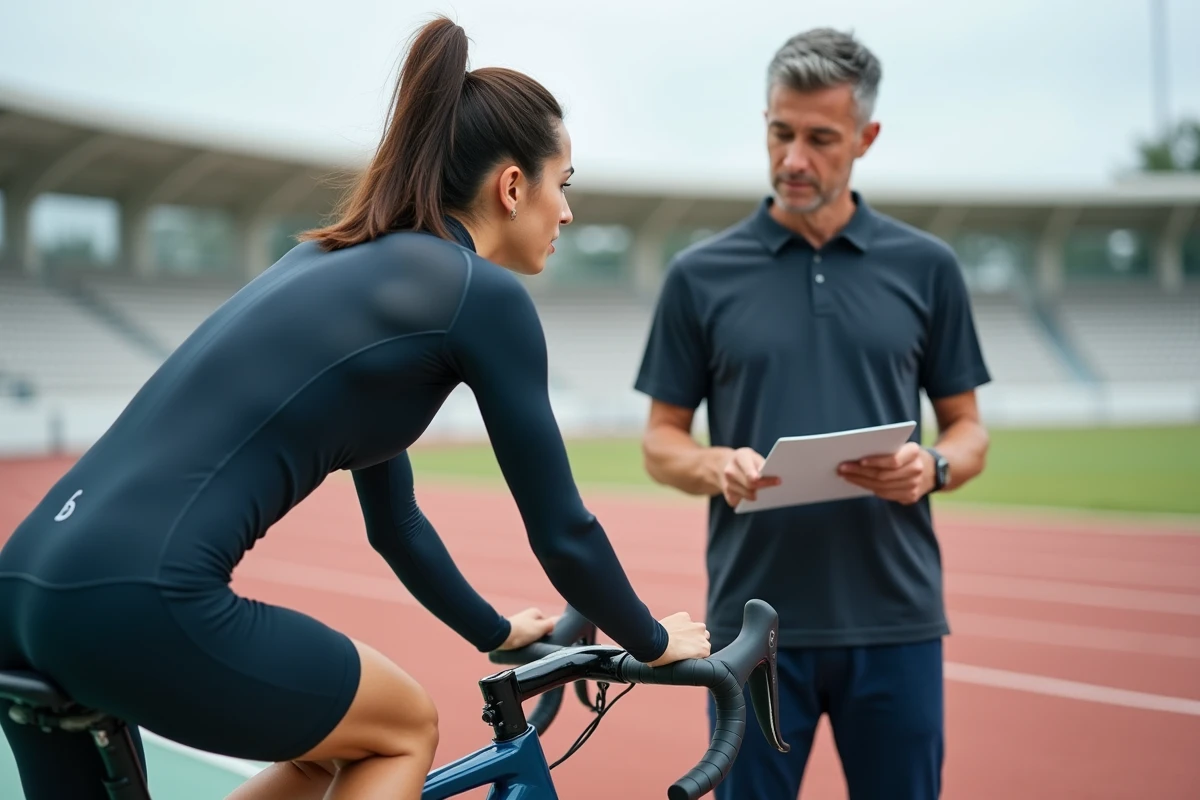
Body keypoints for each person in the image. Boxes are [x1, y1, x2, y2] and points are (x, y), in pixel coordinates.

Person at [0, 16, 710, 800]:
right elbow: (563, 530)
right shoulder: (481, 297)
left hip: (22, 586)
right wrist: (651, 642)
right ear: (513, 186)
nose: (568, 214)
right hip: (141, 597)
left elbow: (395, 525)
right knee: (402, 724)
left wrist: (497, 632)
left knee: (330, 744)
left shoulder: (334, 263)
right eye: (564, 185)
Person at [634, 27, 991, 800]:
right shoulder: (700, 276)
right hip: (751, 630)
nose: (794, 159)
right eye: (779, 132)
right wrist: (713, 463)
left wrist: (930, 466)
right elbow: (661, 442)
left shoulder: (928, 267)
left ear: (865, 137)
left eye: (821, 139)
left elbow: (969, 431)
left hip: (896, 621)